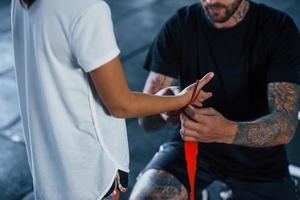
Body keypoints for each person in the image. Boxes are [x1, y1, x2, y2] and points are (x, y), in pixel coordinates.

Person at [11, 0, 215, 199]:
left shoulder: (23, 4)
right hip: (92, 170)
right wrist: (182, 99)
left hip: (50, 168)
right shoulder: (86, 9)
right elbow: (120, 105)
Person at [130, 0, 300, 199]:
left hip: (259, 157)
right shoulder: (180, 25)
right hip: (193, 143)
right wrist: (162, 105)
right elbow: (145, 122)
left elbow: (285, 125)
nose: (211, 1)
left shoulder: (277, 28)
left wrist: (225, 131)